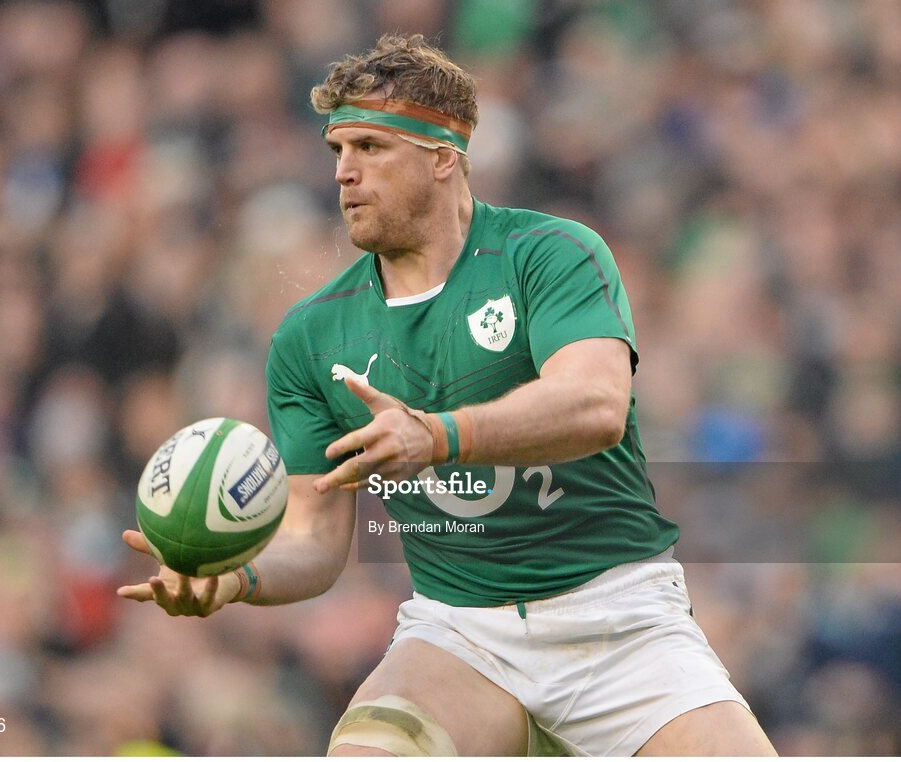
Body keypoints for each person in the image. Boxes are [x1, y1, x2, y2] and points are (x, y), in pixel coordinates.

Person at [118, 34, 776, 756]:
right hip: (463, 634)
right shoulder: (310, 339)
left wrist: (437, 436)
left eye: (371, 148)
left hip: (619, 621)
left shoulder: (547, 254)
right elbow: (314, 540)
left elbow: (596, 405)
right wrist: (238, 578)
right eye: (338, 151)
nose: (344, 173)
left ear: (441, 157)